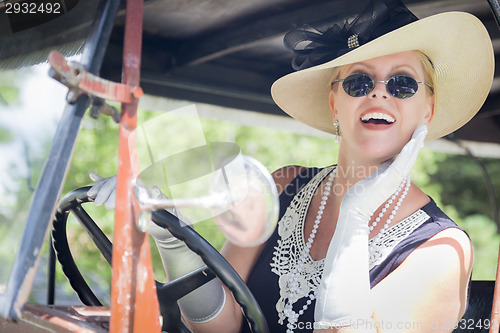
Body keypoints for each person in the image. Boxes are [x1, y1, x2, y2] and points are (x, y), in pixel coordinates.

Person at [88, 0, 494, 332]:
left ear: (428, 109)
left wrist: (355, 218)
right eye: (358, 82)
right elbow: (219, 326)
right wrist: (172, 237)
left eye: (403, 84)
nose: (379, 95)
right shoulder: (284, 185)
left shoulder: (442, 251)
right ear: (336, 103)